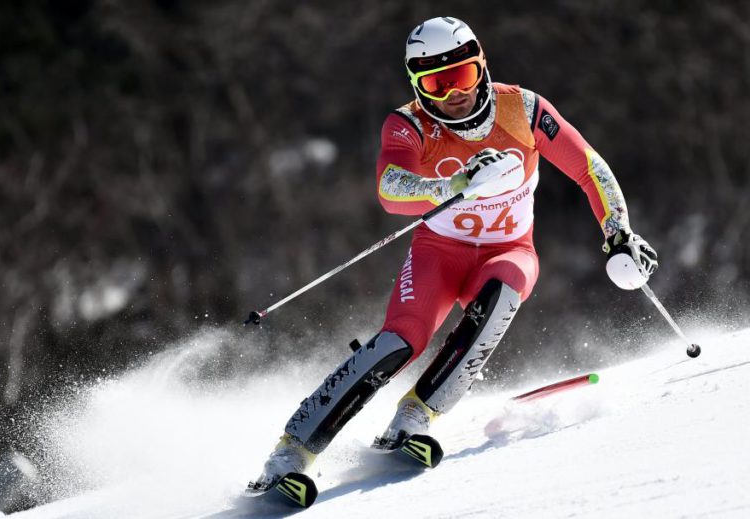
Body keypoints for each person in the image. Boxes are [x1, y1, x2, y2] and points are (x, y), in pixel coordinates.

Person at [250, 16, 658, 488]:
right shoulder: (408, 124)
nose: (453, 94)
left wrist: (619, 231)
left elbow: (589, 167)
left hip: (510, 248)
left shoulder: (522, 109)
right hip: (439, 253)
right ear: (417, 85)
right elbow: (389, 188)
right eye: (436, 84)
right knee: (402, 340)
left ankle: (415, 416)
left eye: (462, 76)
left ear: (481, 66)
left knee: (505, 287)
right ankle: (291, 452)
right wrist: (456, 184)